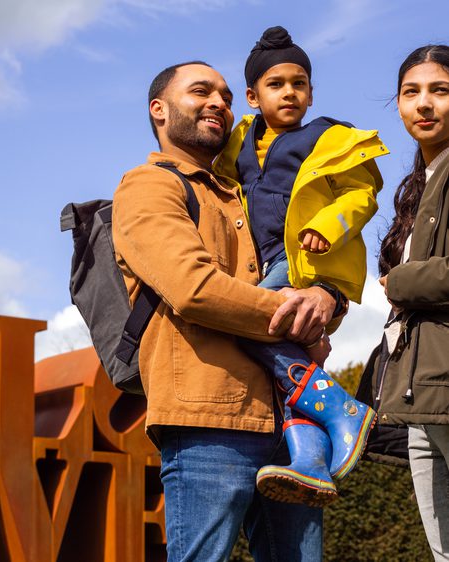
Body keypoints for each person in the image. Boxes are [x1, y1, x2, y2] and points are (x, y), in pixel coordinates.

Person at [113, 61, 338, 561]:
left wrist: (327, 301)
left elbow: (304, 275)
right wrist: (292, 318)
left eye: (226, 95)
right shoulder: (148, 184)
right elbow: (193, 289)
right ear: (160, 111)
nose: (218, 101)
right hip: (207, 417)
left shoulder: (243, 194)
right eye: (200, 92)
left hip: (289, 423)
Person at [214, 26, 388, 505]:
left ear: (311, 92)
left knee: (245, 322)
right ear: (252, 96)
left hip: (303, 261)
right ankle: (309, 459)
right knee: (282, 360)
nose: (289, 92)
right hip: (262, 260)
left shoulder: (329, 137)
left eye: (299, 83)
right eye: (276, 84)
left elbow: (362, 194)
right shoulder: (241, 141)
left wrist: (329, 226)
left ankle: (340, 409)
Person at [374, 44, 449, 561]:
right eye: (411, 92)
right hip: (419, 395)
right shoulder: (418, 185)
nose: (424, 103)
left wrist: (399, 282)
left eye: (440, 90)